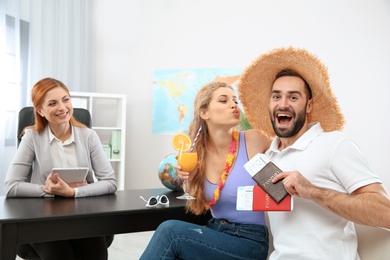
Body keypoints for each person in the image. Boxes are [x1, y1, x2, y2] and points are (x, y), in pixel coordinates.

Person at [238, 47, 390, 260]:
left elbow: (386, 214)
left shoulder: (334, 144)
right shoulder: (268, 157)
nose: (283, 104)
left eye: (293, 97)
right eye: (276, 96)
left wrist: (312, 191)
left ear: (308, 105)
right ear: (270, 104)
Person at [140, 81, 271, 259]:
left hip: (249, 240)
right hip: (215, 229)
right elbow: (199, 204)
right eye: (223, 101)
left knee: (170, 232)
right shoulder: (196, 154)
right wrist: (190, 181)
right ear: (204, 113)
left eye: (235, 101)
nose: (233, 105)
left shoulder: (254, 139)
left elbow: (288, 149)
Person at [5, 77, 117, 260]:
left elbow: (110, 182)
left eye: (66, 99)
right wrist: (52, 191)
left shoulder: (89, 136)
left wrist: (74, 192)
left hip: (82, 216)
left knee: (96, 255)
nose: (62, 108)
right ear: (40, 110)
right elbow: (11, 186)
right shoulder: (32, 137)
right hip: (43, 218)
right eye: (52, 103)